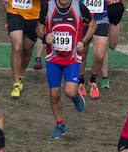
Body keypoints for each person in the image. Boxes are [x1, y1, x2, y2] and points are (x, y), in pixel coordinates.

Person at [38, 0, 96, 138]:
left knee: (70, 91)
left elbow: (93, 26)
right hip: (53, 59)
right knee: (54, 94)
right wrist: (44, 36)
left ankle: (75, 95)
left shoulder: (80, 8)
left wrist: (84, 41)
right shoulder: (47, 6)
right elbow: (39, 28)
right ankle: (60, 125)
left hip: (73, 59)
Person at [5, 0, 42, 98]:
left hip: (34, 15)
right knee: (17, 47)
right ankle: (16, 83)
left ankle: (20, 75)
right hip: (15, 12)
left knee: (27, 49)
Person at [77, 0, 109, 98]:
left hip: (101, 18)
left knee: (100, 55)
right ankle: (81, 81)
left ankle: (93, 81)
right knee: (82, 53)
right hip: (83, 19)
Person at [100, 0, 125, 88]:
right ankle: (105, 76)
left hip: (115, 8)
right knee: (103, 45)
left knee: (112, 45)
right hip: (101, 9)